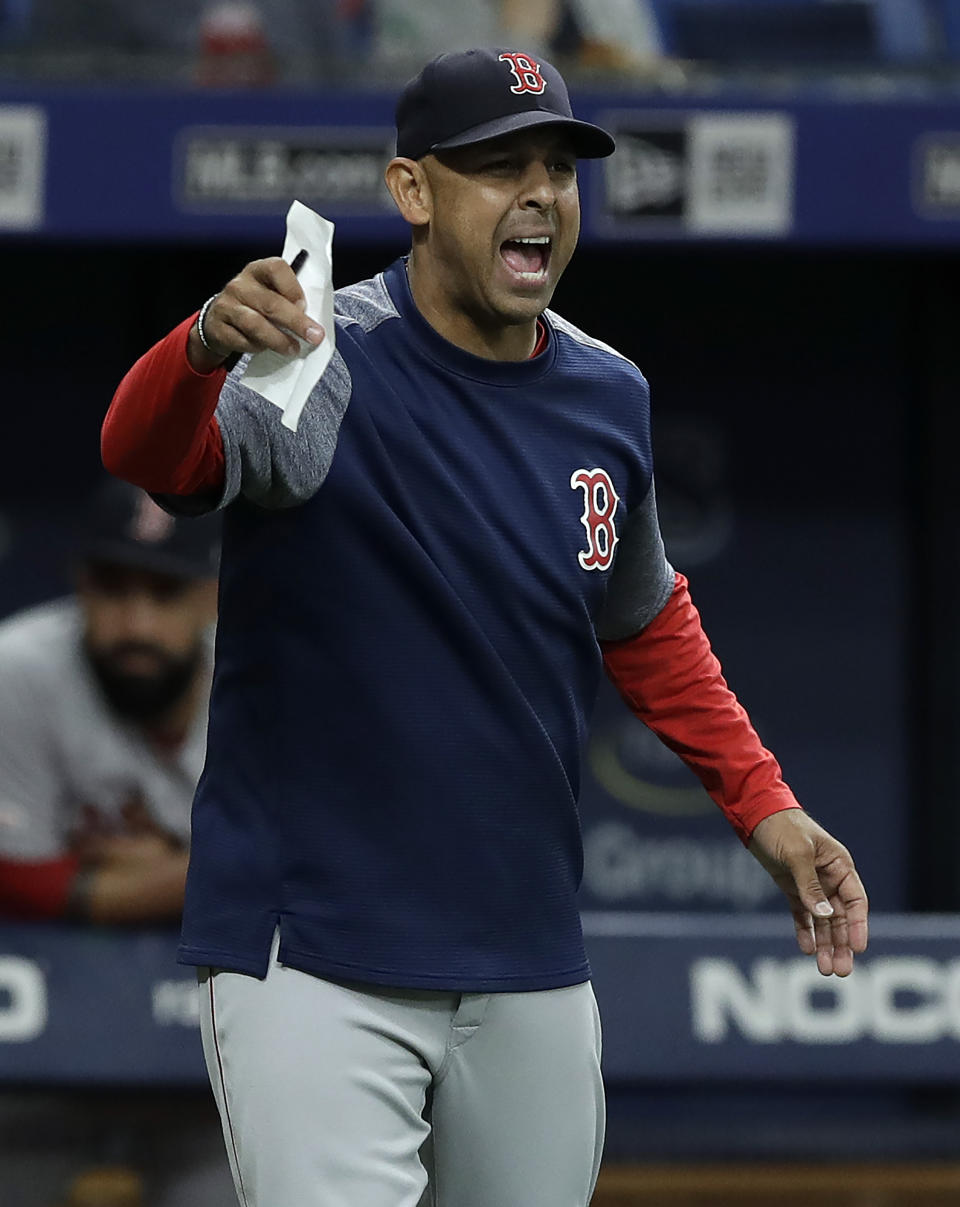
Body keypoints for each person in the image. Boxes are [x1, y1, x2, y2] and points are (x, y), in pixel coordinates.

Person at [102, 46, 868, 1207]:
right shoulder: (319, 358)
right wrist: (203, 343)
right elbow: (153, 457)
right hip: (312, 957)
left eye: (559, 170)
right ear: (413, 193)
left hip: (523, 957)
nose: (540, 196)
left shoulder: (610, 394)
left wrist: (766, 805)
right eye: (499, 166)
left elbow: (646, 617)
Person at [0, 479, 219, 923]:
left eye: (166, 590)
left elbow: (316, 861)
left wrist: (171, 870)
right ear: (81, 585)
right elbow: (14, 875)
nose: (137, 625)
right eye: (112, 587)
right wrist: (214, 873)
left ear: (209, 598)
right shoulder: (19, 668)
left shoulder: (262, 680)